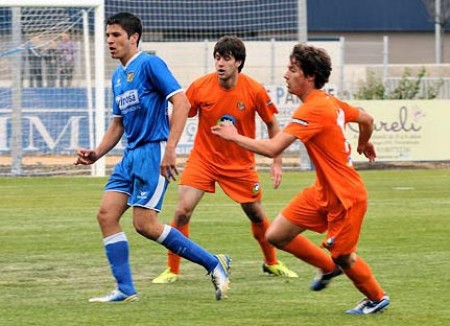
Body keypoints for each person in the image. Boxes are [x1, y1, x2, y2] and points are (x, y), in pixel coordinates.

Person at [211, 43, 390, 315]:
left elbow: (274, 148)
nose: (286, 75)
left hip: (345, 197)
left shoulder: (313, 109)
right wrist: (364, 143)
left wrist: (234, 136)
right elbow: (366, 118)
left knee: (343, 256)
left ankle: (376, 298)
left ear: (309, 76)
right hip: (322, 191)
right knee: (276, 234)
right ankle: (328, 268)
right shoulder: (329, 101)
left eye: (292, 70)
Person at [74, 12, 230, 303]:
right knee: (106, 215)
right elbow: (118, 124)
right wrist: (96, 153)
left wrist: (170, 149)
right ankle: (125, 289)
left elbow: (181, 102)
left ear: (133, 38)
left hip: (152, 151)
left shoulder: (150, 64)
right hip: (130, 154)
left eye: (116, 35)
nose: (110, 41)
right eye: (108, 35)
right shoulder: (119, 76)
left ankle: (213, 263)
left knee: (145, 224)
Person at [152, 35, 297, 284]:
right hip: (203, 160)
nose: (220, 63)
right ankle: (172, 270)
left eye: (226, 59)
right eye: (217, 58)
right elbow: (181, 112)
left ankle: (272, 262)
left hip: (240, 164)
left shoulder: (254, 90)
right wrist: (167, 143)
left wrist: (276, 161)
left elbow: (272, 123)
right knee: (182, 211)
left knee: (255, 213)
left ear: (238, 62)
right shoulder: (200, 87)